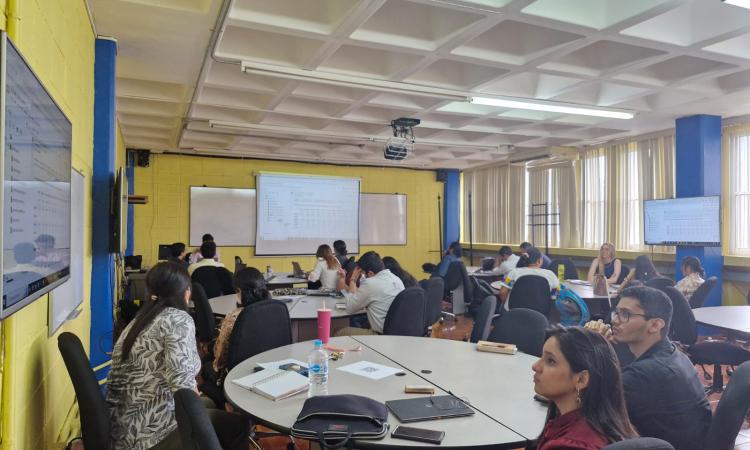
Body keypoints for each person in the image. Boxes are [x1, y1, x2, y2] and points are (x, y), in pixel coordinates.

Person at [107, 262, 248, 450]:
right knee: (237, 425)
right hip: (149, 435)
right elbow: (184, 388)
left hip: (121, 428)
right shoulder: (178, 320)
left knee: (211, 407)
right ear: (186, 292)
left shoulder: (138, 320)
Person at [590, 286, 711, 450]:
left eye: (625, 314)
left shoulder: (643, 375)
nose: (615, 320)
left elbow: (584, 405)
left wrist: (589, 349)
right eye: (616, 312)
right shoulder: (676, 355)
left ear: (655, 325)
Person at [533, 327, 638, 450]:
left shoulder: (569, 445)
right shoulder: (601, 424)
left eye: (551, 361)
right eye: (541, 357)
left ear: (581, 379)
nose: (535, 366)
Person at [213, 267, 271, 376]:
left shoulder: (234, 317)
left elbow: (220, 358)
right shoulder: (274, 309)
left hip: (237, 374)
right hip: (269, 370)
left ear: (239, 291)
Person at [336, 251, 404, 335]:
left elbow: (350, 308)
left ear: (370, 273)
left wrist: (353, 279)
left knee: (339, 331)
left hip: (381, 335)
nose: (363, 277)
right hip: (397, 333)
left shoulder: (371, 283)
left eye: (363, 274)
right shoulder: (396, 279)